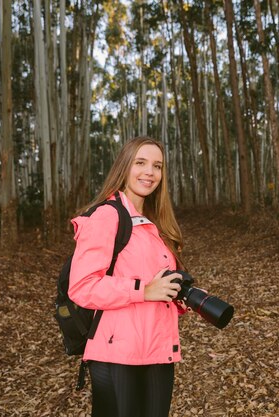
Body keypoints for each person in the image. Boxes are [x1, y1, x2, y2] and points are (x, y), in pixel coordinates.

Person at [68, 136, 186, 417]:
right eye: (141, 163)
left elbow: (155, 284)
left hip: (157, 350)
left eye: (157, 166)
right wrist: (143, 290)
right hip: (116, 353)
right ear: (124, 166)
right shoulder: (106, 216)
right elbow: (82, 287)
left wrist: (177, 295)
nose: (150, 172)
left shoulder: (157, 223)